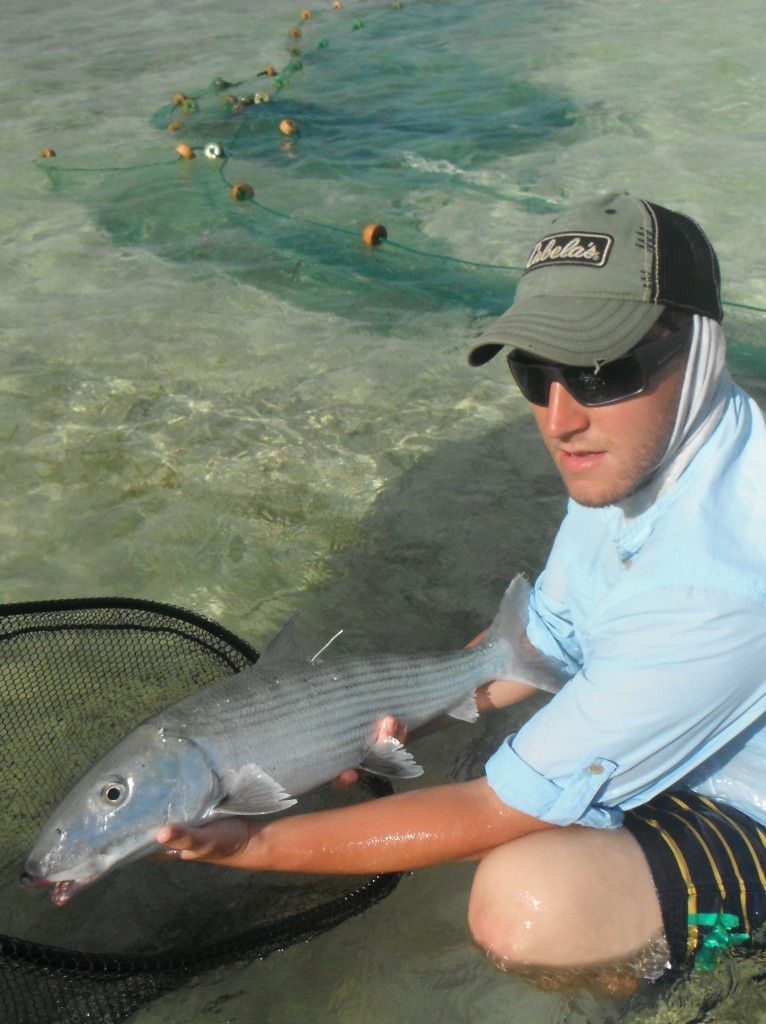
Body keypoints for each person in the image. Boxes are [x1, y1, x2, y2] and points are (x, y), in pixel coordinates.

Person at [157, 192, 766, 987]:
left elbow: (491, 813)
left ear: (705, 347)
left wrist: (255, 845)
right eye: (535, 373)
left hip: (747, 804)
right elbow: (542, 639)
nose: (559, 418)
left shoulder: (720, 581)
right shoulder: (646, 457)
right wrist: (392, 715)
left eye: (602, 370)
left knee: (527, 905)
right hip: (679, 718)